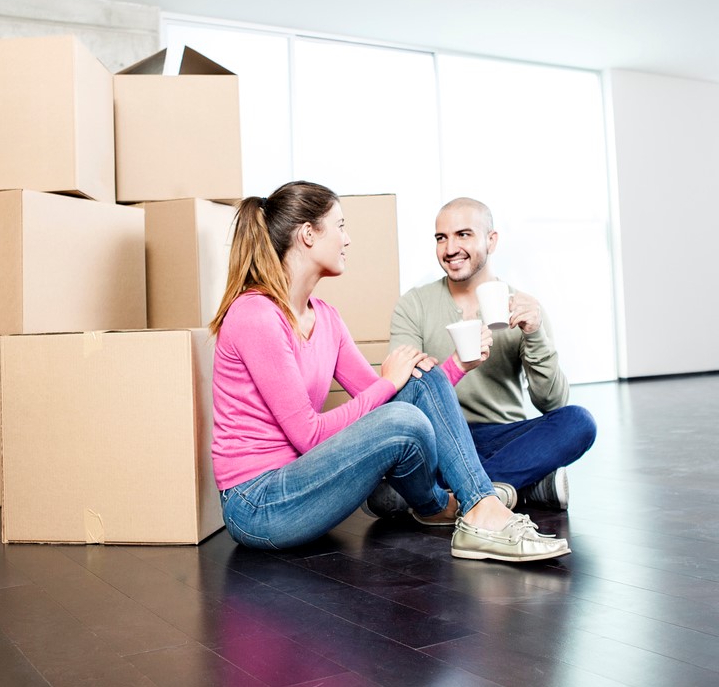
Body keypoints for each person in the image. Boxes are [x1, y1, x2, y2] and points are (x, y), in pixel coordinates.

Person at [209, 181, 570, 562]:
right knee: (400, 417)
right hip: (258, 504)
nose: (347, 239)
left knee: (421, 378)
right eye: (340, 226)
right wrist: (387, 382)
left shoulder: (326, 318)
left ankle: (477, 508)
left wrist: (451, 367)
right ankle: (455, 507)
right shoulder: (256, 315)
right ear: (308, 235)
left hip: (304, 481)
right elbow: (310, 436)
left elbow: (407, 393)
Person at [385, 197, 596, 512]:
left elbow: (552, 403)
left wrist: (534, 333)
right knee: (399, 449)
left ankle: (453, 496)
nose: (450, 248)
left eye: (464, 235)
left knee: (579, 421)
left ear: (491, 240)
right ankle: (522, 488)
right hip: (441, 436)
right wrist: (457, 365)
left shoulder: (524, 308)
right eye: (441, 238)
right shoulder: (414, 304)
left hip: (503, 436)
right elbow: (402, 399)